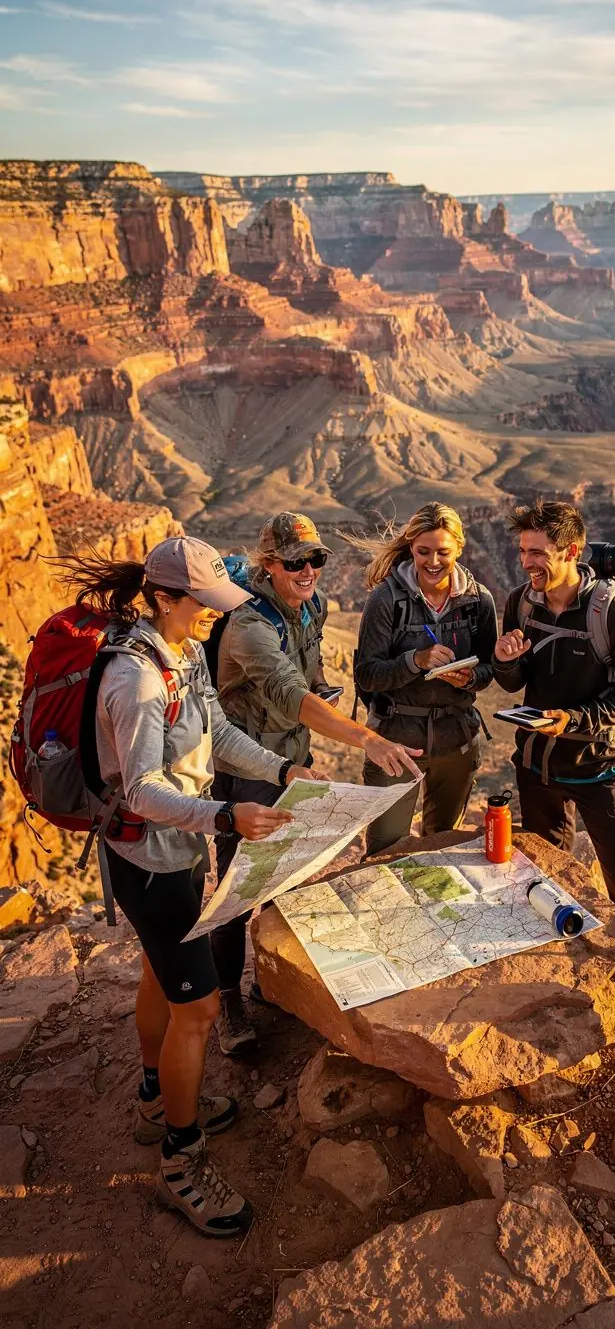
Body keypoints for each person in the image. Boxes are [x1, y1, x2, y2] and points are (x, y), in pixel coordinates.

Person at [58, 536, 311, 1238]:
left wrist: (280, 769)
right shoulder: (135, 682)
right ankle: (180, 1157)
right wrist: (225, 814)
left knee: (158, 972)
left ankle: (151, 1095)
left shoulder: (186, 653)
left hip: (177, 850)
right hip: (150, 862)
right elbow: (139, 790)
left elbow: (218, 730)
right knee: (196, 1013)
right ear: (165, 598)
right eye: (200, 604)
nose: (210, 615)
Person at [213, 511, 421, 1052]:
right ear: (268, 565)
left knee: (283, 874)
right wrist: (368, 740)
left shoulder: (313, 606)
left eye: (317, 559)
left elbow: (309, 680)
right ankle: (228, 1007)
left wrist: (325, 689)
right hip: (246, 770)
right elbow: (289, 694)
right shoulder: (249, 625)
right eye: (296, 562)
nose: (309, 570)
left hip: (292, 761)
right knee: (238, 887)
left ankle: (271, 983)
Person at [491, 498, 615, 1050]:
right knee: (545, 873)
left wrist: (571, 721)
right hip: (537, 766)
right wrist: (505, 658)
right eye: (523, 551)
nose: (527, 562)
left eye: (538, 552)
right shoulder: (520, 603)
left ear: (572, 550)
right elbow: (513, 681)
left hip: (601, 770)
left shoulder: (610, 611)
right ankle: (560, 966)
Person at [353, 501, 498, 853]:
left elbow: (489, 669)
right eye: (423, 551)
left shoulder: (478, 601)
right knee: (384, 849)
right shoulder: (386, 600)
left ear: (459, 549)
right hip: (396, 740)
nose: (433, 562)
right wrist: (415, 660)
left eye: (443, 552)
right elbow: (367, 676)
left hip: (456, 741)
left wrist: (468, 678)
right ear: (411, 547)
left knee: (441, 845)